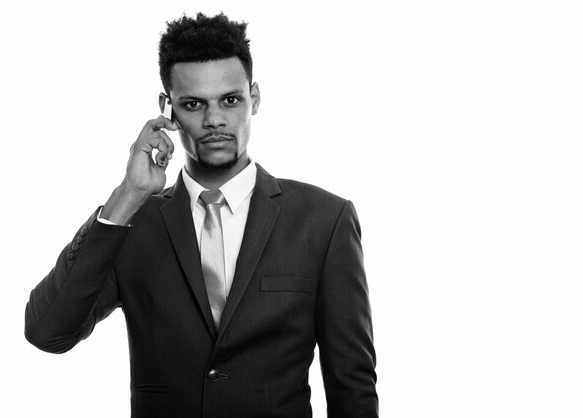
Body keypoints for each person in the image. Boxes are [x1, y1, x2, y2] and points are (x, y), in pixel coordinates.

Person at [25, 12, 378, 417]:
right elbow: (47, 332)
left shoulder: (324, 220)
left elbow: (352, 385)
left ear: (255, 98)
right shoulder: (132, 224)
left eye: (231, 100)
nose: (214, 121)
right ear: (167, 108)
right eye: (193, 104)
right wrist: (128, 195)